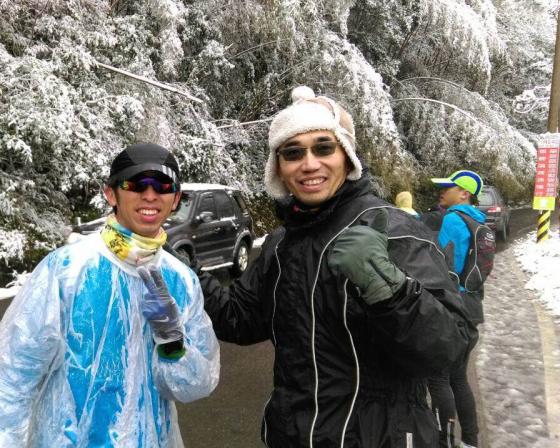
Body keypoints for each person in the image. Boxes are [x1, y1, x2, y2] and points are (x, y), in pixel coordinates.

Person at [182, 86, 473, 447]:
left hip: (381, 438)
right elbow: (240, 318)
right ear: (279, 169)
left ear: (347, 157)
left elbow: (448, 348)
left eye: (323, 148)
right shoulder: (281, 244)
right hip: (293, 437)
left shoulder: (393, 229)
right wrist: (185, 274)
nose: (309, 164)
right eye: (293, 153)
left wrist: (390, 290)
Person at [0, 143, 220, 447]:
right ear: (111, 194)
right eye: (136, 184)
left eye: (163, 185)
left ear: (175, 198)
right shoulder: (66, 271)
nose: (150, 195)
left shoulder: (181, 281)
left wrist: (173, 343)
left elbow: (195, 386)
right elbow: (8, 381)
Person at [426, 170, 489, 448]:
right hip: (471, 306)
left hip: (452, 308)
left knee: (438, 378)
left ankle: (444, 442)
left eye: (448, 187)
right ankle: (470, 441)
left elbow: (439, 263)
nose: (441, 191)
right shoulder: (477, 220)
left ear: (464, 193)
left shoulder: (453, 219)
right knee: (458, 378)